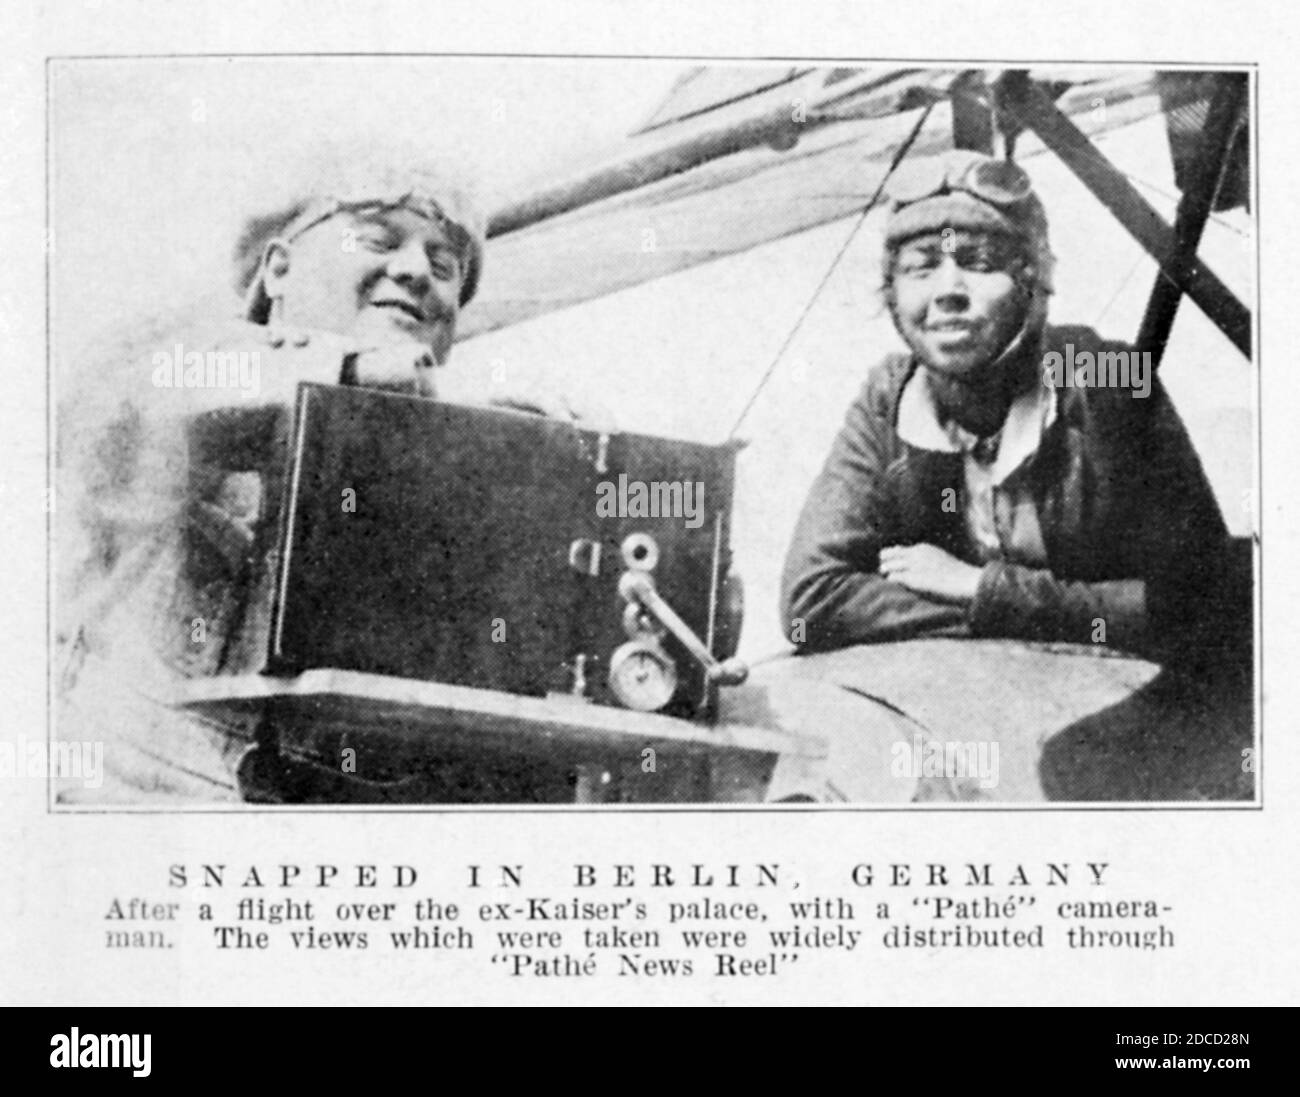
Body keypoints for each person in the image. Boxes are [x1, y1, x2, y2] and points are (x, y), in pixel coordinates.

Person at [744, 148, 1247, 802]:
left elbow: (1199, 604)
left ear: (1032, 283)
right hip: (985, 694)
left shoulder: (1109, 382)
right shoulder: (888, 399)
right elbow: (813, 601)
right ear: (891, 294)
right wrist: (1022, 611)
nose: (947, 291)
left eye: (979, 264)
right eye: (920, 268)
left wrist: (987, 591)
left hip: (1132, 707)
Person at [56, 150, 511, 802]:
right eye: (377, 239)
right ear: (278, 267)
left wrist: (543, 462)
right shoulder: (174, 360)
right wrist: (357, 369)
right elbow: (154, 389)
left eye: (445, 267)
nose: (415, 271)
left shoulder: (426, 479)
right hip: (108, 799)